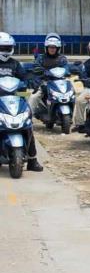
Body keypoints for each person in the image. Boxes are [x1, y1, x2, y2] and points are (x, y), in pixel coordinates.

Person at [0, 31, 43, 171]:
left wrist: (32, 82)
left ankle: (32, 160)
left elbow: (24, 77)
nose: (5, 51)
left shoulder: (16, 64)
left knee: (27, 124)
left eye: (7, 48)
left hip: (15, 98)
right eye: (2, 48)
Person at [28, 33, 70, 121]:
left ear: (58, 48)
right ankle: (27, 119)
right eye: (50, 47)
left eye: (54, 47)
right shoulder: (40, 58)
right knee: (33, 97)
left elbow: (66, 68)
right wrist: (40, 75)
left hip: (59, 83)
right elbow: (36, 67)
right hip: (44, 82)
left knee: (71, 95)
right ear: (46, 47)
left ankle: (72, 115)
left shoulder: (62, 58)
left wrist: (68, 71)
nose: (52, 49)